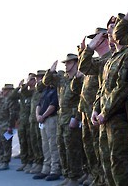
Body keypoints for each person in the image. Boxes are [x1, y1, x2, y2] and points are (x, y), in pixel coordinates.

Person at [92, 10, 128, 186]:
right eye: (110, 29)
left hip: (119, 118)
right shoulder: (111, 59)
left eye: (114, 28)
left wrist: (104, 112)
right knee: (107, 161)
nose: (110, 33)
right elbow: (102, 89)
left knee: (121, 164)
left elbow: (122, 88)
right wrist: (96, 109)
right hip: (105, 118)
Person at [80, 19, 117, 186]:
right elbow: (84, 68)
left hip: (110, 113)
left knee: (112, 156)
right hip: (95, 112)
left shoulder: (110, 58)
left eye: (96, 38)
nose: (92, 42)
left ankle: (102, 180)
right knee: (96, 150)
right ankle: (99, 179)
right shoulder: (98, 61)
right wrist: (86, 50)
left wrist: (89, 49)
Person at [45, 54, 85, 186]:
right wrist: (51, 71)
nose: (66, 65)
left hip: (72, 115)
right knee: (62, 147)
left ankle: (75, 177)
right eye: (65, 63)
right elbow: (46, 82)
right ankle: (67, 175)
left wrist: (77, 117)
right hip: (61, 117)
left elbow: (82, 99)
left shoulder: (80, 78)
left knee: (72, 148)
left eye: (69, 63)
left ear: (75, 63)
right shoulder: (62, 79)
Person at [34, 66, 61, 181]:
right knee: (45, 146)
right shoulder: (46, 90)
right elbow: (39, 104)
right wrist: (38, 116)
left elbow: (53, 105)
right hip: (43, 120)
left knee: (53, 145)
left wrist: (43, 116)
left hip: (51, 119)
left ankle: (54, 169)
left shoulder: (56, 89)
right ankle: (46, 168)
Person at [0, 83, 18, 171]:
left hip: (6, 126)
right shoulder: (2, 99)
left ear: (10, 91)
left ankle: (5, 162)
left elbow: (12, 114)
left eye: (6, 90)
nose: (4, 91)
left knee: (6, 144)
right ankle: (0, 160)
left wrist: (10, 126)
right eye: (3, 90)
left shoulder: (12, 101)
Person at [13, 75, 35, 172]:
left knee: (30, 143)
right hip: (22, 121)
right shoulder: (24, 93)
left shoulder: (35, 92)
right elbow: (12, 96)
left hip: (30, 122)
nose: (30, 82)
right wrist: (20, 86)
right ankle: (24, 162)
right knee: (23, 142)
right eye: (29, 80)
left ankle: (30, 163)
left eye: (32, 80)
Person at [27, 70, 45, 175]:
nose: (37, 80)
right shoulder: (35, 91)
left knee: (40, 142)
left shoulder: (44, 89)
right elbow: (24, 92)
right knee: (34, 142)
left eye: (39, 78)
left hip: (41, 119)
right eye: (36, 78)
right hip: (33, 119)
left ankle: (41, 163)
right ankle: (37, 161)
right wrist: (27, 83)